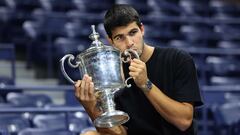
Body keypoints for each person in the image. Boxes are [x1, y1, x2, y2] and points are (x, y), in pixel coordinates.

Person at [75, 4, 203, 135]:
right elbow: (118, 133)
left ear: (142, 29)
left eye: (133, 32)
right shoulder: (115, 74)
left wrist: (145, 84)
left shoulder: (178, 59)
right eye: (120, 37)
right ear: (111, 41)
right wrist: (91, 107)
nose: (129, 42)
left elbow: (184, 122)